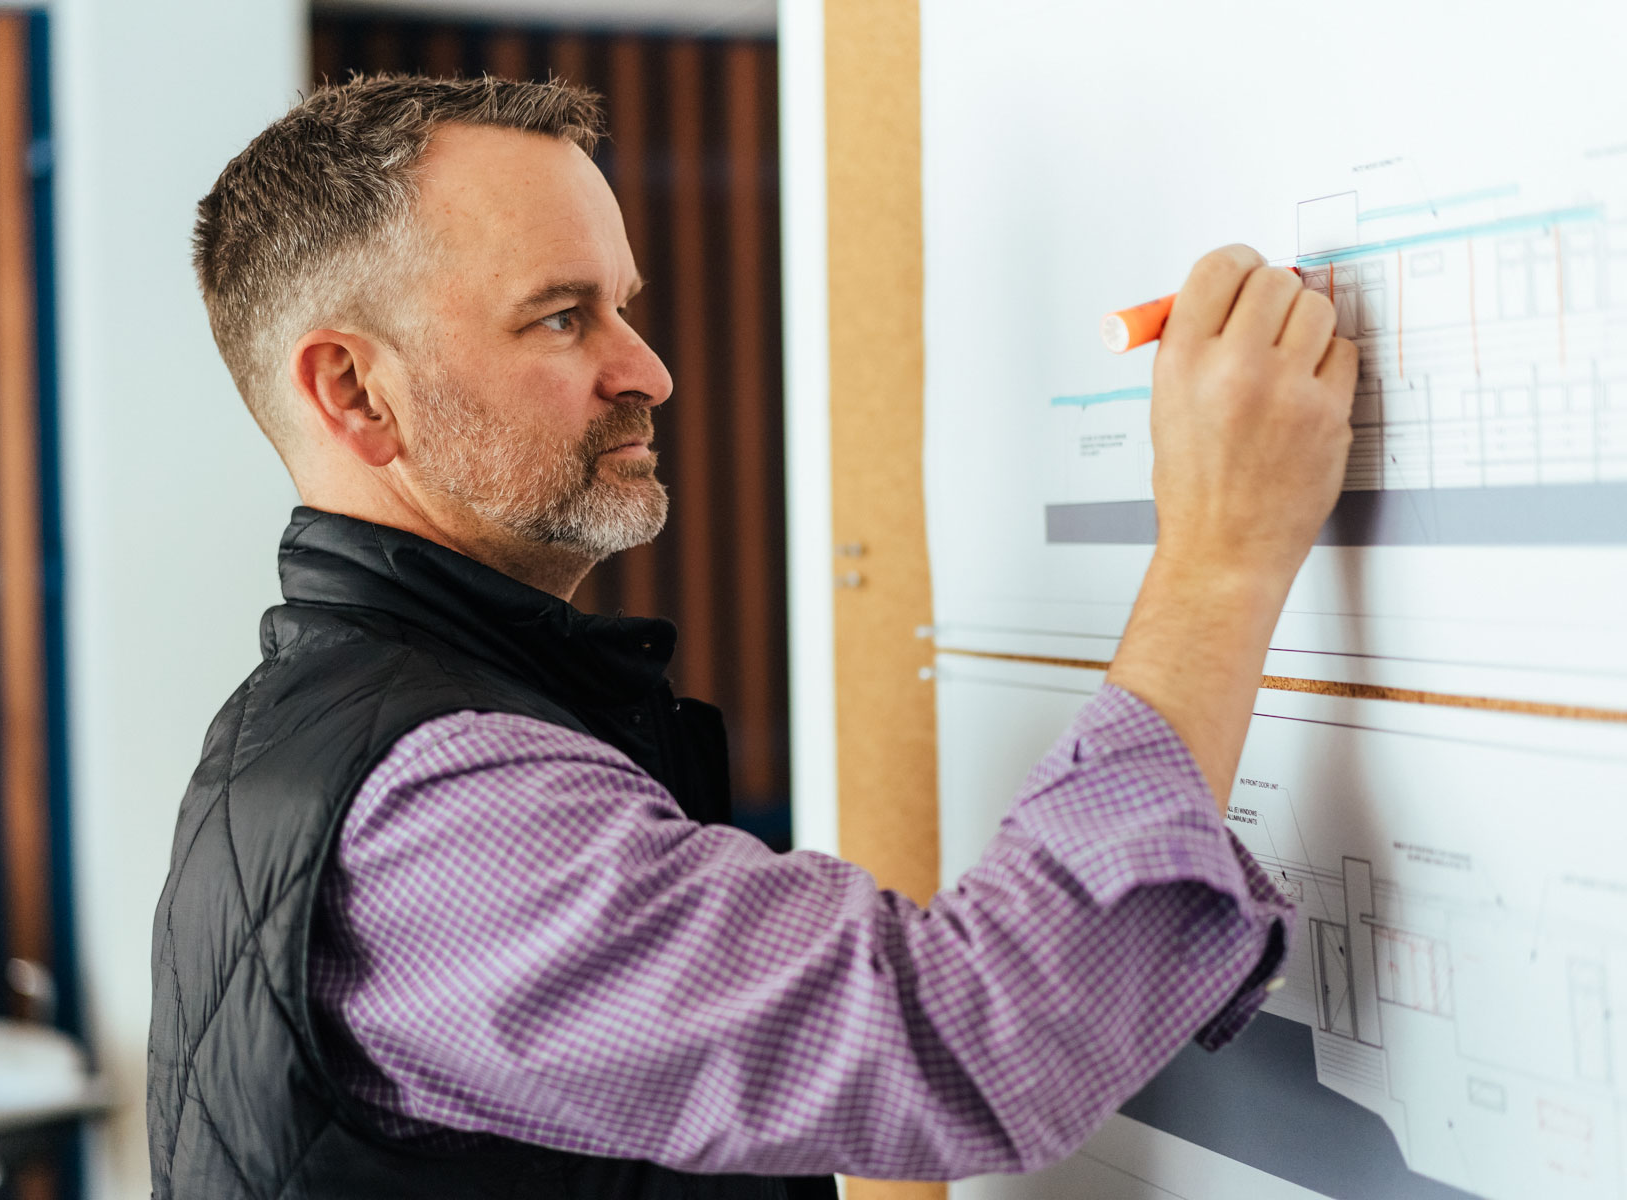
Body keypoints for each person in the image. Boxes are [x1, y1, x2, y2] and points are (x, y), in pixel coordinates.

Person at [148, 76, 1356, 1200]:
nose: (652, 371)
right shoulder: (432, 805)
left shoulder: (335, 730)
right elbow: (973, 1040)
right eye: (563, 318)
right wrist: (1224, 552)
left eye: (623, 307)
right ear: (356, 393)